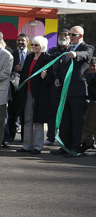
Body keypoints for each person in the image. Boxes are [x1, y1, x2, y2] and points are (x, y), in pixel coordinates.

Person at [51, 26, 94, 157]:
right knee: (65, 120)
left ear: (81, 36)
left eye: (73, 35)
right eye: (69, 34)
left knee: (76, 121)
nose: (70, 37)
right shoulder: (68, 48)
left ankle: (75, 147)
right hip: (64, 91)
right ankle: (65, 146)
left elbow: (86, 55)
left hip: (77, 91)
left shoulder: (87, 47)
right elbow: (59, 66)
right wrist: (57, 78)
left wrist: (76, 54)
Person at [16, 36, 52, 155]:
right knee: (27, 120)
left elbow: (52, 77)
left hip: (40, 95)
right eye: (32, 45)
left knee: (38, 121)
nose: (33, 47)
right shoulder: (30, 57)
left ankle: (37, 146)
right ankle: (26, 146)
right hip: (27, 92)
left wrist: (45, 77)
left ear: (42, 45)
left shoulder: (47, 58)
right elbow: (24, 75)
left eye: (36, 45)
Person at [45, 29, 70, 145]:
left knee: (65, 113)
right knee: (52, 112)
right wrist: (54, 78)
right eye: (61, 35)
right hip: (54, 86)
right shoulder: (52, 51)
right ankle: (50, 137)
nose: (63, 37)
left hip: (68, 87)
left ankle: (63, 139)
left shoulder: (71, 51)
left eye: (66, 35)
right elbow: (49, 68)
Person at [6, 33, 29, 147]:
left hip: (27, 89)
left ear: (27, 42)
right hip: (14, 88)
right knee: (12, 113)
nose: (20, 42)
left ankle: (25, 138)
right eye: (18, 40)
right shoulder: (12, 54)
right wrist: (14, 69)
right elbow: (6, 69)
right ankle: (10, 136)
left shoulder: (31, 54)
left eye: (23, 40)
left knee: (25, 114)